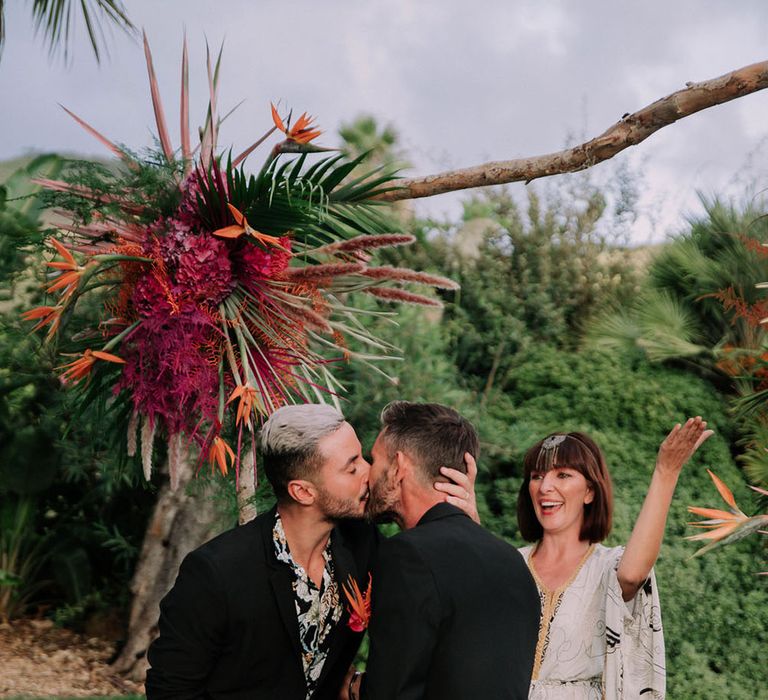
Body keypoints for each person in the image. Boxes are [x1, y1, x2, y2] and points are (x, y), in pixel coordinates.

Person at [145, 403, 476, 700]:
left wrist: (464, 521)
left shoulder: (364, 546)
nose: (369, 471)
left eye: (363, 457)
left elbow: (438, 587)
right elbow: (171, 690)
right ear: (303, 491)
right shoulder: (216, 572)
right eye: (351, 467)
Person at [347, 401, 540, 700]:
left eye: (375, 459)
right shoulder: (512, 561)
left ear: (398, 467)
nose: (368, 475)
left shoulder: (408, 555)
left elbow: (391, 692)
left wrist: (349, 687)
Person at [517, 417, 712, 699]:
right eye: (536, 476)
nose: (545, 486)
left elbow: (633, 575)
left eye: (562, 475)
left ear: (590, 492)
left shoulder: (607, 567)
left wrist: (666, 472)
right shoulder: (510, 564)